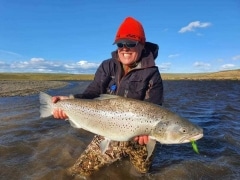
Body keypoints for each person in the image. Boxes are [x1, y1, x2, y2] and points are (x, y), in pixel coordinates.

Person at [52, 16, 164, 177]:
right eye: (120, 44)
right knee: (79, 171)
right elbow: (92, 93)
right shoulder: (107, 66)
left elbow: (155, 108)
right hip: (108, 128)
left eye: (130, 44)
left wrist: (148, 133)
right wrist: (68, 101)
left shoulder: (153, 73)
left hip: (139, 132)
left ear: (142, 45)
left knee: (142, 172)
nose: (124, 48)